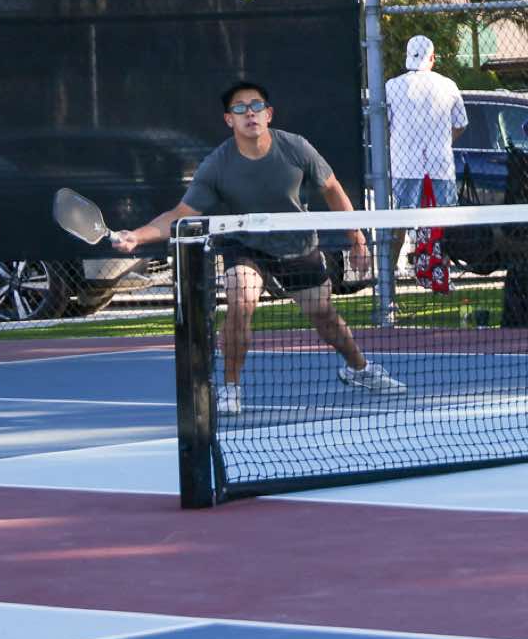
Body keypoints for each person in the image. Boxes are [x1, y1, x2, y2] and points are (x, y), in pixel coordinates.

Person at [112, 79, 402, 416]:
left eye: (256, 106)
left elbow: (332, 188)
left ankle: (359, 368)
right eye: (239, 108)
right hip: (243, 244)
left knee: (324, 315)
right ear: (229, 120)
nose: (249, 113)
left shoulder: (295, 148)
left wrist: (357, 238)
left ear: (268, 114)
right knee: (240, 301)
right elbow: (180, 215)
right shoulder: (217, 165)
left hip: (295, 243)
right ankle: (231, 387)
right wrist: (136, 236)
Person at [384, 34, 468, 278]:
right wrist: (442, 142)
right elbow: (461, 123)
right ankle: (441, 274)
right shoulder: (447, 85)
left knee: (400, 222)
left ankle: (388, 275)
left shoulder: (393, 86)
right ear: (433, 57)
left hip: (404, 164)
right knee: (443, 221)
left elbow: (385, 124)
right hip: (439, 164)